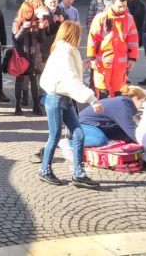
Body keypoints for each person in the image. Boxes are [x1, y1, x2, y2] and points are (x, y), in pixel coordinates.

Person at [38, 20, 104, 188]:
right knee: (55, 136)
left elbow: (69, 74)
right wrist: (92, 99)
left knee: (79, 134)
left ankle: (79, 174)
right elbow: (71, 79)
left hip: (64, 98)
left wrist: (84, 65)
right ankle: (44, 171)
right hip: (56, 98)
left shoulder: (67, 49)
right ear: (73, 34)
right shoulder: (65, 51)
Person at [87, 0, 139, 99]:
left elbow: (133, 39)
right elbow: (93, 38)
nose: (122, 8)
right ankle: (103, 114)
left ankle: (114, 114)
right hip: (103, 61)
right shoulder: (101, 18)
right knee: (103, 92)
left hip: (120, 62)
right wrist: (92, 58)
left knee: (118, 92)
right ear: (112, 4)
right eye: (120, 6)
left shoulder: (129, 18)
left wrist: (132, 58)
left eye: (124, 6)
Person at [79, 86, 146, 147]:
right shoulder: (122, 105)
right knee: (100, 140)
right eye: (141, 101)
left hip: (98, 125)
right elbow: (131, 130)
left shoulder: (123, 104)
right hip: (83, 124)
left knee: (125, 136)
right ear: (135, 98)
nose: (142, 105)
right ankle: (71, 143)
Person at [11, 1, 46, 116]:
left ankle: (36, 105)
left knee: (34, 82)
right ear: (23, 12)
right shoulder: (17, 22)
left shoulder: (35, 22)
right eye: (27, 12)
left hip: (34, 57)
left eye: (31, 12)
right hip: (21, 57)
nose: (29, 14)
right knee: (20, 81)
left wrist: (41, 29)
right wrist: (23, 29)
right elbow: (16, 39)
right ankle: (17, 105)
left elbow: (42, 40)